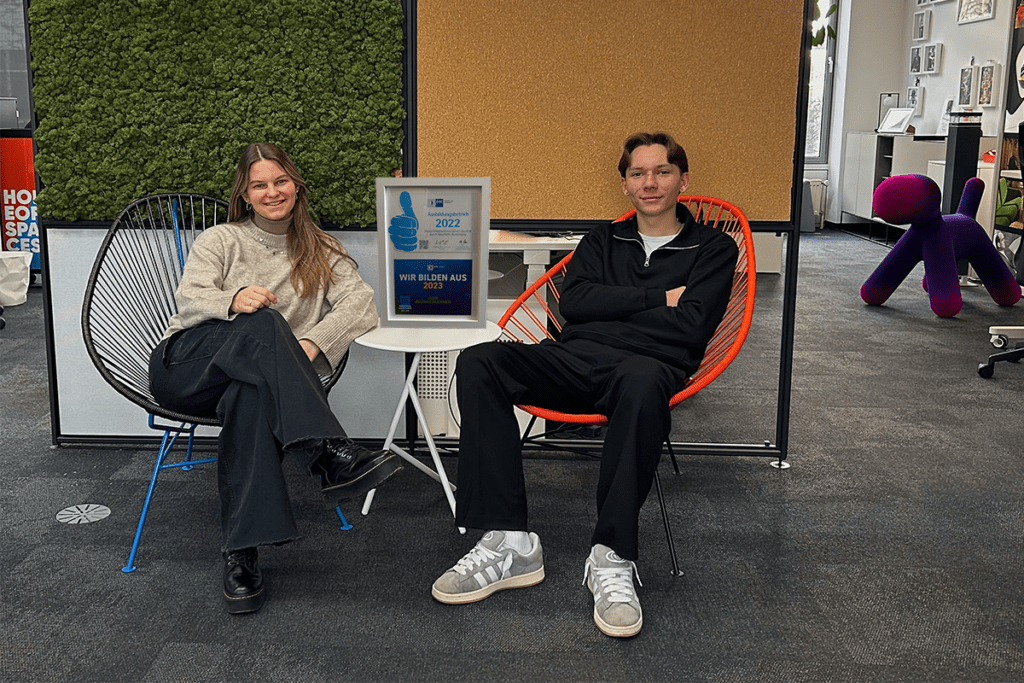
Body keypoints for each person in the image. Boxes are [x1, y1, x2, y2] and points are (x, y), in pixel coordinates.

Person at [430, 132, 739, 637]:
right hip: (573, 360)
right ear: (625, 185)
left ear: (684, 179)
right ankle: (510, 541)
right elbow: (573, 305)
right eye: (638, 174)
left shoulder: (712, 248)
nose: (650, 182)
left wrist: (613, 304)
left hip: (647, 368)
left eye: (662, 171)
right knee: (481, 361)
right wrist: (660, 297)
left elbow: (693, 325)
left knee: (640, 382)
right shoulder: (602, 240)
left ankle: (612, 556)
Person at [148, 143, 402, 615]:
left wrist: (310, 345)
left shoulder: (322, 250)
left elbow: (360, 305)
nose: (271, 192)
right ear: (244, 194)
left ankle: (240, 554)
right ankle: (326, 451)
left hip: (254, 380)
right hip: (187, 366)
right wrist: (234, 298)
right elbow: (190, 299)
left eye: (280, 181)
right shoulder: (221, 239)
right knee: (266, 323)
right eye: (259, 185)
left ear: (296, 185)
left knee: (252, 393)